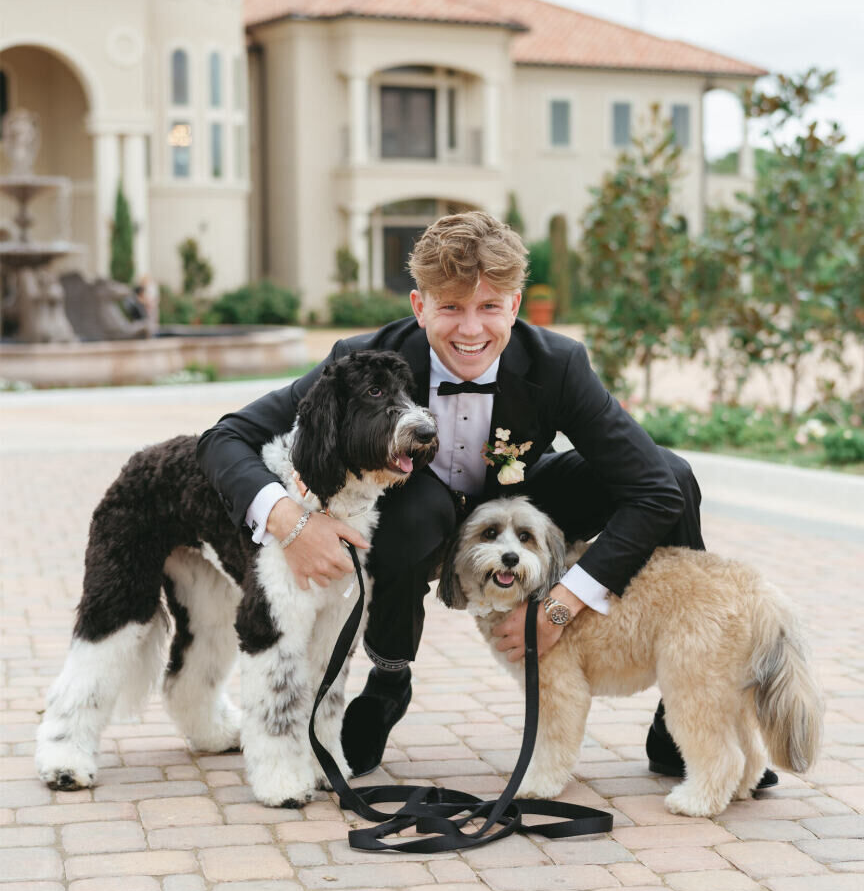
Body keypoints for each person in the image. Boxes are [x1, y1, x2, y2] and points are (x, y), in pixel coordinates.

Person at [197, 211, 775, 787]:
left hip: (518, 502)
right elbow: (224, 438)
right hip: (415, 515)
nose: (471, 329)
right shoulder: (363, 360)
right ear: (419, 306)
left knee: (673, 478)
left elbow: (650, 487)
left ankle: (680, 710)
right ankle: (389, 680)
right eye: (450, 307)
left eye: (489, 307)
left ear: (515, 307)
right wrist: (290, 522)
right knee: (415, 517)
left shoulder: (558, 364)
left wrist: (559, 607)